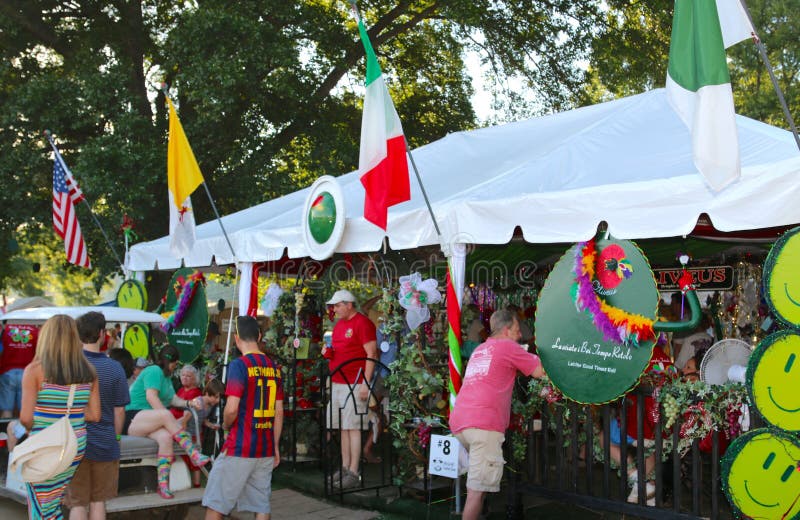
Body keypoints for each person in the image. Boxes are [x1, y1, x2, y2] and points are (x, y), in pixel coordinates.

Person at [449, 309, 545, 520]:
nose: (520, 335)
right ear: (506, 329)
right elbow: (540, 371)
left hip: (461, 422)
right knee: (476, 491)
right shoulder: (508, 346)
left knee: (478, 486)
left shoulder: (481, 349)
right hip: (484, 425)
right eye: (517, 330)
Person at [18, 315, 101, 519]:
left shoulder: (35, 371)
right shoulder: (89, 371)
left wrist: (42, 421)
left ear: (46, 337)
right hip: (75, 444)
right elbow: (94, 415)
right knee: (52, 501)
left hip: (45, 445)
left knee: (41, 504)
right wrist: (68, 413)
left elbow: (25, 418)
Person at [202, 316, 283, 520]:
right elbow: (279, 411)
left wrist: (226, 426)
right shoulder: (273, 367)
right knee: (261, 503)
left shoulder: (239, 365)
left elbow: (231, 410)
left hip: (240, 445)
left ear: (236, 339)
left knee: (216, 502)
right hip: (264, 447)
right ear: (259, 336)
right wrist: (275, 446)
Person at [66, 312, 130, 520]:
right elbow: (119, 410)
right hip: (105, 444)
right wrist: (116, 437)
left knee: (77, 502)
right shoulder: (115, 368)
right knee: (98, 501)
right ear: (102, 334)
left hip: (75, 443)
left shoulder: (70, 365)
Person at [124, 344, 208, 499]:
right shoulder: (154, 371)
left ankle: (162, 485)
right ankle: (192, 452)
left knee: (166, 438)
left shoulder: (167, 377)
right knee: (165, 414)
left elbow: (173, 399)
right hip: (132, 416)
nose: (175, 368)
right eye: (175, 364)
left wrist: (189, 403)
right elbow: (151, 397)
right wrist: (165, 417)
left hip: (149, 418)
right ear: (171, 362)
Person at [321, 289, 377, 489]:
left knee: (353, 427)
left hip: (354, 382)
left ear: (349, 304)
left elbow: (371, 353)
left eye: (337, 305)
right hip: (338, 381)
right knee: (343, 427)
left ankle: (354, 471)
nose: (334, 309)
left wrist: (365, 382)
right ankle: (345, 468)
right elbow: (337, 350)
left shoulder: (363, 323)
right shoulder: (338, 326)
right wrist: (328, 353)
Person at [0, 322, 39, 418]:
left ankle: (6, 431)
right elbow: (38, 354)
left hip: (7, 371)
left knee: (6, 409)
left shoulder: (5, 330)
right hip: (27, 374)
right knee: (24, 409)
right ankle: (22, 432)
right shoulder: (34, 330)